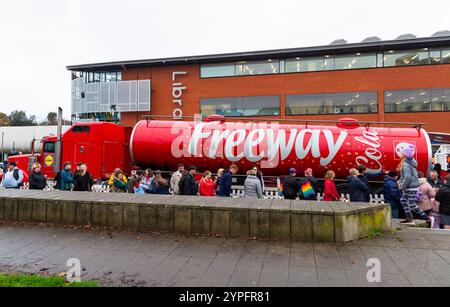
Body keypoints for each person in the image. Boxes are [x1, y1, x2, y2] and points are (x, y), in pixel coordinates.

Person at [398, 144, 432, 225]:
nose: (401, 154)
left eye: (402, 153)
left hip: (410, 187)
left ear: (405, 155)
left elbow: (407, 177)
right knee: (403, 200)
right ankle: (409, 217)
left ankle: (426, 218)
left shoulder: (406, 164)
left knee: (412, 204)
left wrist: (402, 186)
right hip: (411, 187)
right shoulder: (410, 162)